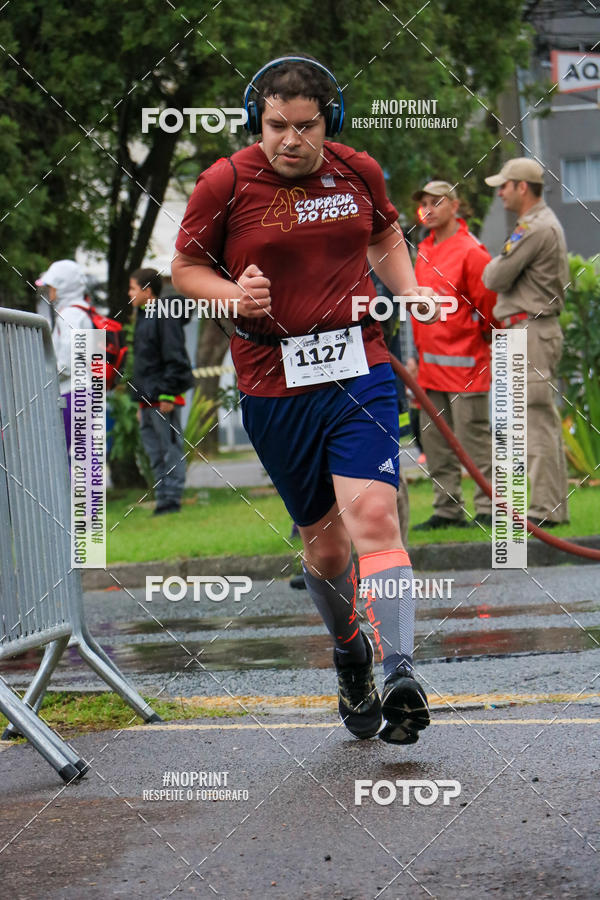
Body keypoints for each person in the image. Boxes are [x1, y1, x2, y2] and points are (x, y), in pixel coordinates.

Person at [172, 55, 437, 745]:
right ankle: (352, 657)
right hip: (273, 385)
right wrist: (233, 294)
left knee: (375, 515)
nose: (289, 140)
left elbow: (383, 233)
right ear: (255, 120)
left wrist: (405, 290)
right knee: (324, 551)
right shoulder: (224, 182)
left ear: (332, 122)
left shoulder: (358, 170)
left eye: (305, 127)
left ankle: (403, 672)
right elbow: (186, 268)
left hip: (360, 368)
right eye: (275, 126)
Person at [482, 158, 569, 527]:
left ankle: (546, 510)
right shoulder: (535, 224)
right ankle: (550, 506)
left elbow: (494, 276)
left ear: (522, 187)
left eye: (504, 185)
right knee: (534, 420)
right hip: (525, 330)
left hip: (529, 332)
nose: (500, 192)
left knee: (533, 421)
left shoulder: (534, 228)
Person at [409, 181, 498, 530]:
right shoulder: (424, 250)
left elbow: (489, 306)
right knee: (435, 441)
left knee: (474, 440)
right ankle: (447, 511)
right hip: (429, 368)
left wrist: (483, 342)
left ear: (455, 206)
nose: (428, 210)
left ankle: (491, 508)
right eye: (424, 204)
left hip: (467, 367)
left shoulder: (471, 251)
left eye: (436, 203)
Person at [128, 267, 194, 515]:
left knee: (170, 449)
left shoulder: (164, 316)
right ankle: (162, 498)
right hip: (146, 400)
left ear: (147, 291)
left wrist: (167, 394)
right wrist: (139, 403)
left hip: (163, 396)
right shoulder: (143, 316)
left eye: (133, 288)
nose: (129, 294)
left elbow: (174, 357)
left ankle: (171, 500)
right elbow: (145, 363)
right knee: (154, 452)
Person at [36, 259, 93, 461]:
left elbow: (67, 364)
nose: (49, 293)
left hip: (72, 393)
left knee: (63, 457)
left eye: (51, 287)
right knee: (83, 458)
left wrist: (43, 376)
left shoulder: (69, 314)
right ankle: (87, 494)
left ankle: (68, 494)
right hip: (84, 391)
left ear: (63, 286)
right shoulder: (81, 311)